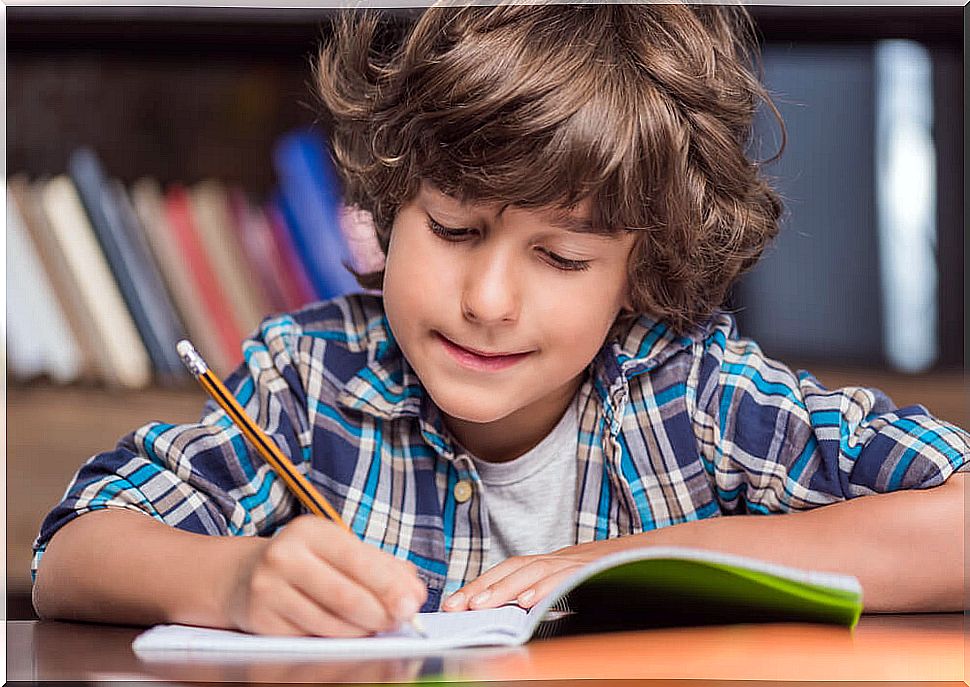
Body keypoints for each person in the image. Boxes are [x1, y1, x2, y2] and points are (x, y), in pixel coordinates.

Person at [32, 3, 967, 638]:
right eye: (452, 229)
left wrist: (656, 554)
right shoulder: (309, 377)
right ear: (388, 206)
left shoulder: (697, 396)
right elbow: (68, 556)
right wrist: (235, 583)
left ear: (640, 273)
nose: (487, 299)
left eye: (562, 257)